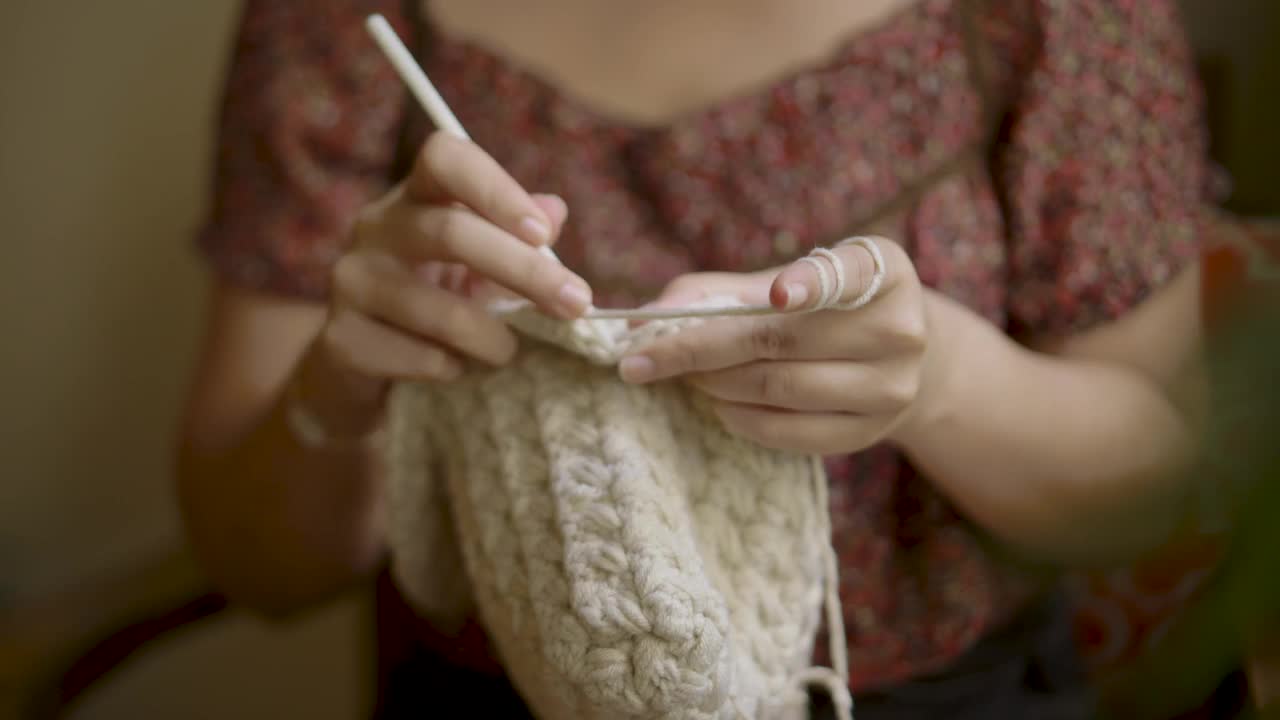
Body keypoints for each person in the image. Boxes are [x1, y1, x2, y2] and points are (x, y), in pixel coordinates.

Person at [175, 0, 1218, 717]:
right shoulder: (343, 26)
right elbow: (258, 567)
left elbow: (1147, 494)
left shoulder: (1050, 19)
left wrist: (937, 380)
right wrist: (342, 383)